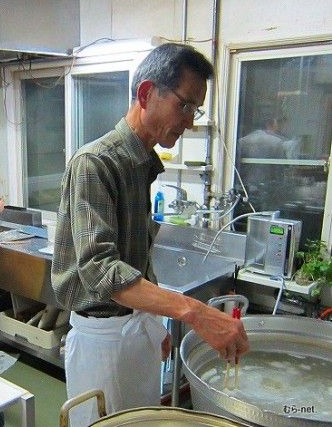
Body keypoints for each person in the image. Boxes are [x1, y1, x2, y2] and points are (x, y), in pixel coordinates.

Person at [51, 43, 249, 427]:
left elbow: (136, 255)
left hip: (134, 329)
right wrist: (195, 312)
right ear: (146, 94)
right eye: (185, 106)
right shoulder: (97, 163)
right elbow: (101, 271)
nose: (190, 122)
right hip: (103, 341)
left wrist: (154, 321)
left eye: (196, 109)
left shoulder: (139, 164)